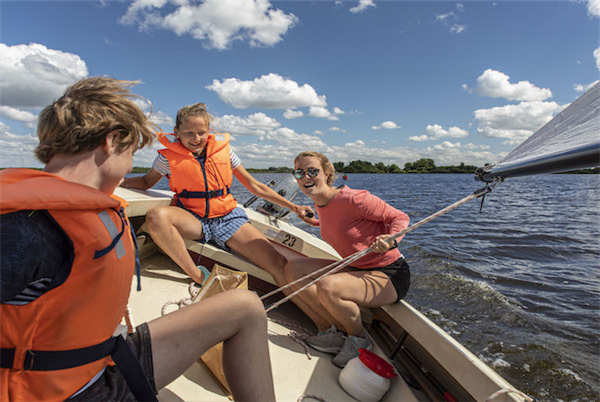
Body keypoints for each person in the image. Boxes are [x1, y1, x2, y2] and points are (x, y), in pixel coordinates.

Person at [0, 77, 275, 402]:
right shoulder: (26, 227)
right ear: (112, 141)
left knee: (246, 307)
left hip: (100, 356)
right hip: (72, 390)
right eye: (132, 152)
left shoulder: (73, 211)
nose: (130, 164)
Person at [120, 103, 327, 325]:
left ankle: (323, 323)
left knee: (278, 263)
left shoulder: (225, 152)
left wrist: (294, 207)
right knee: (156, 217)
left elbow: (255, 186)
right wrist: (117, 180)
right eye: (189, 133)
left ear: (209, 131)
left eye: (201, 132)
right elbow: (146, 181)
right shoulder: (167, 158)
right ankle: (198, 276)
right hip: (193, 217)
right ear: (177, 132)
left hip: (227, 217)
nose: (196, 138)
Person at [285, 151, 411, 368]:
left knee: (328, 287)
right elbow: (341, 223)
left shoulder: (354, 198)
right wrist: (314, 222)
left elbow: (399, 217)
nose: (306, 177)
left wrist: (391, 239)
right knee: (293, 269)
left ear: (327, 174)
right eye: (300, 173)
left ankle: (358, 340)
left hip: (388, 273)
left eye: (312, 171)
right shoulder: (320, 202)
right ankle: (332, 332)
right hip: (355, 267)